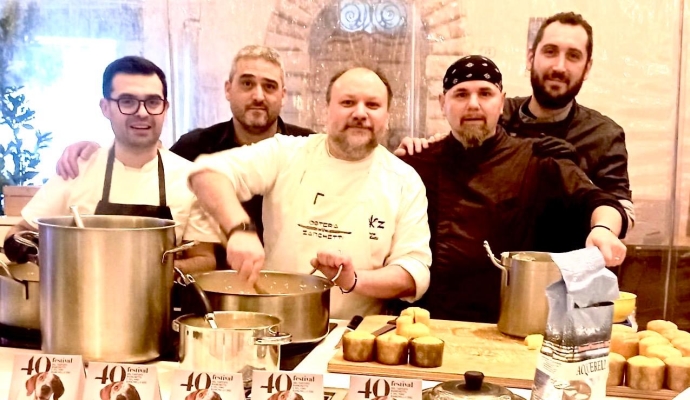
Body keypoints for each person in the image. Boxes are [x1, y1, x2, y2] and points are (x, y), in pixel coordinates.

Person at [188, 67, 432, 319]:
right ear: (325, 110)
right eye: (347, 102)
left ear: (387, 116)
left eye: (372, 105)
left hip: (354, 337)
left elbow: (413, 272)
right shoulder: (286, 153)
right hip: (273, 324)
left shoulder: (404, 180)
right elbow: (207, 172)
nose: (360, 113)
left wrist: (353, 279)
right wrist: (239, 230)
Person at [400, 55, 628, 323]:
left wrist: (603, 230)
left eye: (485, 93)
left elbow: (598, 201)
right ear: (443, 103)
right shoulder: (415, 163)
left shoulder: (537, 159)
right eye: (460, 94)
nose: (473, 104)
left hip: (511, 319)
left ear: (501, 102)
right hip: (432, 319)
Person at [54, 45, 315, 265]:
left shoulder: (307, 147)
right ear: (228, 89)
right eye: (247, 83)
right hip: (208, 293)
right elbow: (144, 158)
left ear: (283, 95)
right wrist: (95, 150)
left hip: (287, 284)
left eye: (269, 87)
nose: (258, 95)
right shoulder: (194, 146)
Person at [3, 56, 218, 274]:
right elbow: (18, 233)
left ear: (165, 108)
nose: (142, 112)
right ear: (105, 107)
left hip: (158, 305)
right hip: (80, 304)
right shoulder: (77, 169)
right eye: (127, 101)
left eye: (153, 102)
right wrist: (47, 255)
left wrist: (151, 273)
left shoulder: (190, 178)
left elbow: (204, 259)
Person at [502, 11, 633, 252]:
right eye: (550, 51)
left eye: (573, 56)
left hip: (571, 276)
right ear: (531, 58)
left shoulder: (604, 134)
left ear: (587, 68)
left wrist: (603, 229)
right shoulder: (498, 116)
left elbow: (621, 206)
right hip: (496, 270)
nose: (559, 66)